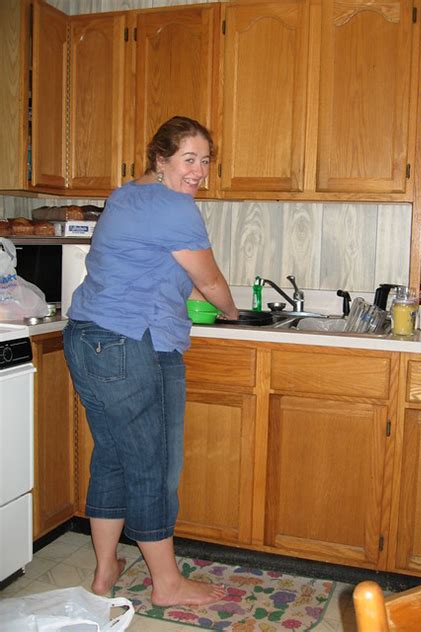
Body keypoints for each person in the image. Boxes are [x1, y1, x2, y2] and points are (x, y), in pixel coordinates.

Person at [63, 116, 239, 607]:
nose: (199, 170)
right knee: (152, 464)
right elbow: (210, 282)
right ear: (160, 159)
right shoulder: (174, 207)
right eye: (189, 159)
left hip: (87, 337)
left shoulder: (124, 195)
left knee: (113, 456)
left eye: (205, 161)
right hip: (127, 343)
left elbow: (147, 272)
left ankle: (104, 572)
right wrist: (232, 314)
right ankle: (168, 584)